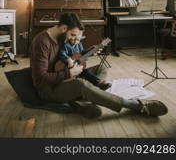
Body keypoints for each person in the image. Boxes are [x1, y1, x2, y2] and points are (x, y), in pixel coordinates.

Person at [30, 12, 168, 119]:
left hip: (66, 77)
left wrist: (89, 51)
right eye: (72, 35)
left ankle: (83, 101)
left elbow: (74, 55)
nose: (74, 39)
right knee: (82, 84)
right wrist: (70, 74)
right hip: (49, 89)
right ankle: (137, 106)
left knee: (101, 68)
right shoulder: (42, 42)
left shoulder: (63, 36)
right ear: (63, 28)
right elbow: (39, 80)